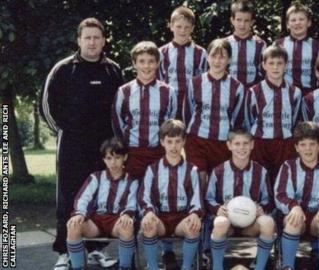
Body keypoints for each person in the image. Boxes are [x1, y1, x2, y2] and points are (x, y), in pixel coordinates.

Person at [40, 17, 124, 270]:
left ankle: (97, 249)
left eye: (96, 37)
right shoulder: (63, 69)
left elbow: (119, 108)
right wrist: (65, 133)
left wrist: (114, 142)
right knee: (69, 198)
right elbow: (46, 106)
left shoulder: (113, 70)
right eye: (87, 37)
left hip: (103, 148)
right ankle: (65, 252)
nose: (92, 42)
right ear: (79, 40)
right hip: (72, 146)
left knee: (101, 198)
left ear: (103, 40)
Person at [274, 121, 319, 270]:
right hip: (296, 218)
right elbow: (280, 194)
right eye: (303, 145)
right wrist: (294, 207)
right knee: (294, 219)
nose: (308, 149)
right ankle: (287, 266)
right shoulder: (288, 166)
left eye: (312, 144)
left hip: (318, 218)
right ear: (296, 147)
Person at [138, 119, 203, 270]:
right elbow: (144, 196)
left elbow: (197, 198)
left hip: (182, 218)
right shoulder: (152, 169)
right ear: (162, 142)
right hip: (160, 217)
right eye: (169, 141)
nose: (174, 146)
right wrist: (148, 212)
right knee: (148, 225)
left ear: (184, 142)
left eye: (178, 141)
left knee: (193, 226)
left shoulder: (192, 170)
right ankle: (153, 267)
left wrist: (195, 213)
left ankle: (186, 267)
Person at [205, 128, 275, 270]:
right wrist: (217, 209)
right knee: (220, 223)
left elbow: (270, 200)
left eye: (245, 143)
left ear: (252, 145)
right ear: (229, 145)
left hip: (251, 223)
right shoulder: (219, 171)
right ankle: (217, 266)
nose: (241, 148)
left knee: (268, 222)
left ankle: (259, 266)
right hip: (228, 223)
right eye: (237, 144)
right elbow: (208, 199)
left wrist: (262, 208)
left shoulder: (260, 171)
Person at [66, 138, 138, 270]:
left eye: (117, 157)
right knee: (73, 225)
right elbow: (83, 198)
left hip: (117, 221)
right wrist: (79, 214)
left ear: (125, 157)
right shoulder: (96, 177)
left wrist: (127, 215)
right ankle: (78, 267)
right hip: (96, 222)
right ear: (104, 159)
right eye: (109, 158)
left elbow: (132, 204)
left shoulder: (132, 181)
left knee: (127, 226)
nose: (113, 162)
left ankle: (125, 266)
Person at [183, 38, 246, 187]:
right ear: (207, 57)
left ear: (229, 60)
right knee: (199, 181)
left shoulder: (237, 87)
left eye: (222, 57)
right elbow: (188, 112)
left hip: (222, 141)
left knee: (218, 184)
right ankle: (197, 210)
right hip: (197, 139)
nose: (217, 61)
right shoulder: (195, 82)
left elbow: (238, 117)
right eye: (213, 56)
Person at [112, 41, 177, 180]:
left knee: (156, 195)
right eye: (141, 61)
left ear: (158, 63)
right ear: (134, 63)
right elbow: (118, 122)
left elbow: (171, 123)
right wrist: (124, 149)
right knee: (131, 196)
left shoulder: (168, 92)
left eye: (151, 61)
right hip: (132, 153)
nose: (146, 66)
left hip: (158, 153)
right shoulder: (124, 91)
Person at [246, 45, 302, 184]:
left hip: (285, 143)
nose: (275, 67)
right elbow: (248, 119)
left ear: (286, 65)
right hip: (260, 142)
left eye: (279, 63)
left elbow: (295, 119)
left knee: (283, 180)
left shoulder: (295, 92)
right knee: (260, 180)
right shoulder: (254, 91)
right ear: (264, 65)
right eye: (271, 63)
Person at [158, 6, 207, 120]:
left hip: (192, 102)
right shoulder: (161, 52)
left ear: (192, 28)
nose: (182, 30)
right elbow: (158, 80)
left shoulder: (200, 53)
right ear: (171, 26)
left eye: (187, 27)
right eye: (178, 26)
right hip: (168, 101)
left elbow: (203, 80)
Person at [275, 3, 319, 95]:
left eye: (301, 19)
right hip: (284, 93)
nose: (297, 23)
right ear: (287, 24)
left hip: (310, 93)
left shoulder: (318, 46)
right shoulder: (279, 45)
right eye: (293, 20)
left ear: (309, 22)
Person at [225, 0, 266, 88]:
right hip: (229, 91)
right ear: (232, 20)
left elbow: (264, 71)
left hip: (253, 91)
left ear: (252, 22)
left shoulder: (260, 45)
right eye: (238, 20)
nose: (242, 24)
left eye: (246, 21)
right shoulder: (225, 43)